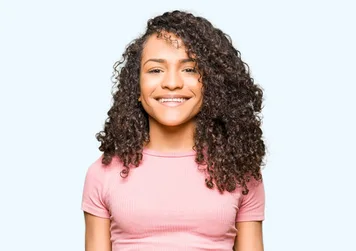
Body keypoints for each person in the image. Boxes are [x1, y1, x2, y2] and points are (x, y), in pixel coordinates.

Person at [81, 10, 266, 251]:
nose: (172, 83)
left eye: (189, 69)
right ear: (136, 86)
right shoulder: (103, 174)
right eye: (156, 70)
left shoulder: (239, 172)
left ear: (210, 85)